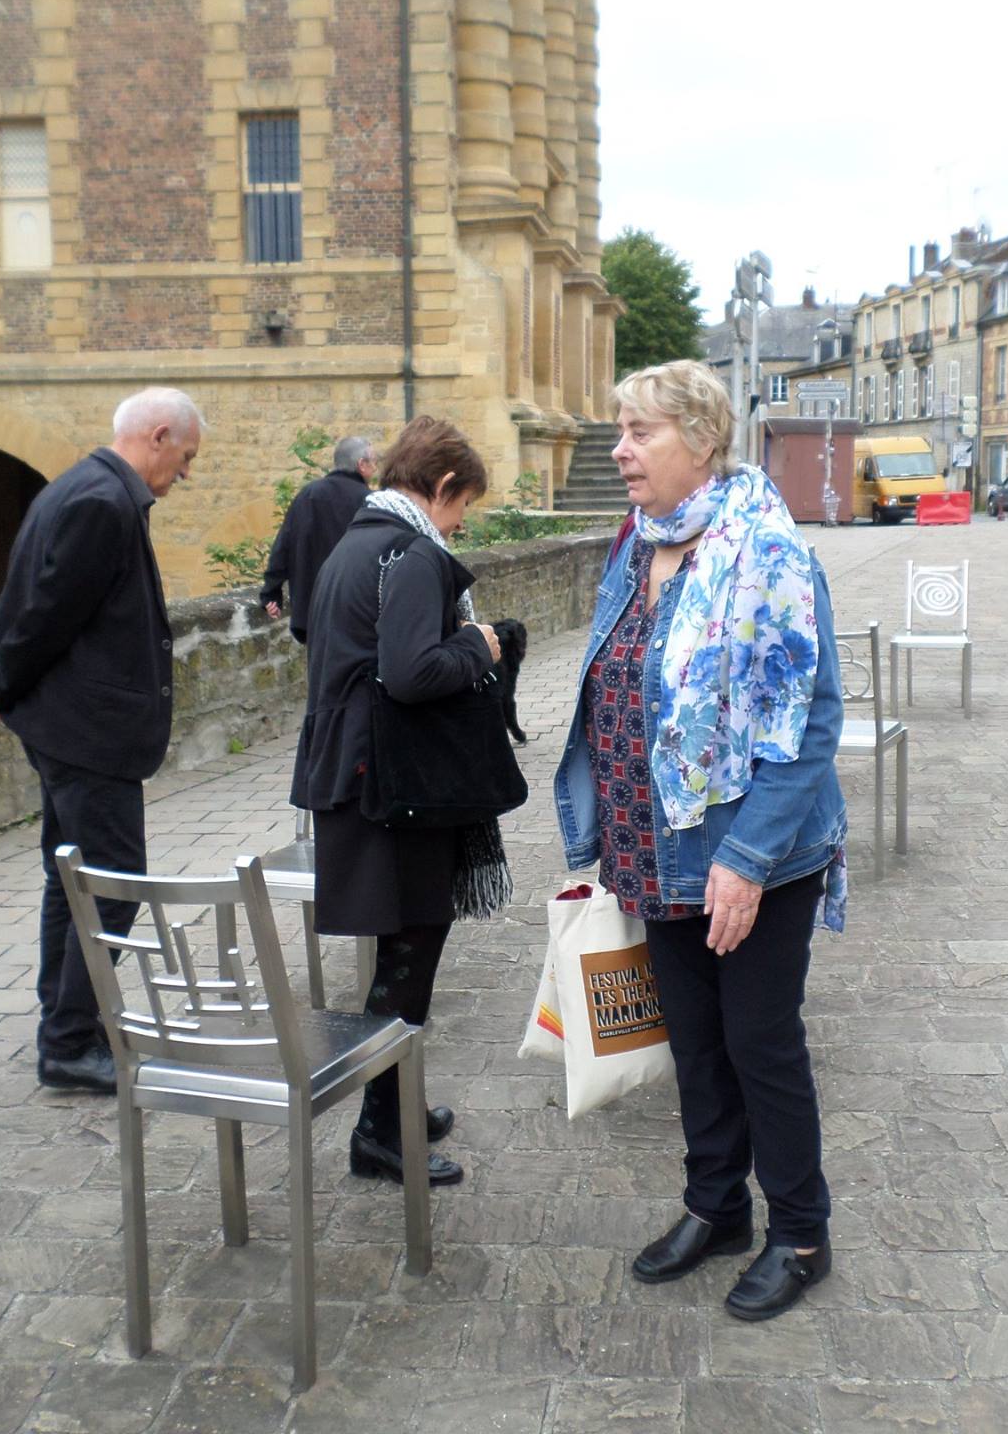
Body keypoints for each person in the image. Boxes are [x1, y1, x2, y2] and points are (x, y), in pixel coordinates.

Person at [552, 360, 847, 1323]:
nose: (620, 451)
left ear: (703, 440)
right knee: (695, 1043)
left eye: (640, 432)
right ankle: (715, 1207)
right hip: (651, 850)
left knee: (760, 1044)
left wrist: (747, 860)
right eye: (619, 431)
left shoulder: (768, 551)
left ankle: (800, 1233)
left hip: (749, 855)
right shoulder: (635, 544)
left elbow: (811, 723)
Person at [0, 387, 204, 1096]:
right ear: (158, 436)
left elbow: (26, 598)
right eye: (186, 456)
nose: (186, 472)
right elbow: (45, 613)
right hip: (87, 733)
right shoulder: (103, 502)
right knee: (113, 883)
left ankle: (68, 1024)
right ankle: (68, 1040)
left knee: (69, 876)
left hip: (68, 727)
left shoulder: (76, 486)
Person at [290, 415, 503, 1188]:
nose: (460, 523)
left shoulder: (355, 543)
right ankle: (380, 1134)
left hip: (353, 775)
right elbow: (412, 674)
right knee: (411, 954)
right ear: (441, 487)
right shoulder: (411, 553)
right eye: (463, 506)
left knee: (401, 952)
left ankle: (395, 1105)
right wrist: (479, 646)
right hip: (390, 787)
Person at [260, 435, 378, 644]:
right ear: (361, 464)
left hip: (312, 613)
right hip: (355, 613)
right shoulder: (369, 501)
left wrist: (271, 593)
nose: (375, 468)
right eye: (374, 462)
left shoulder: (308, 495)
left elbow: (283, 546)